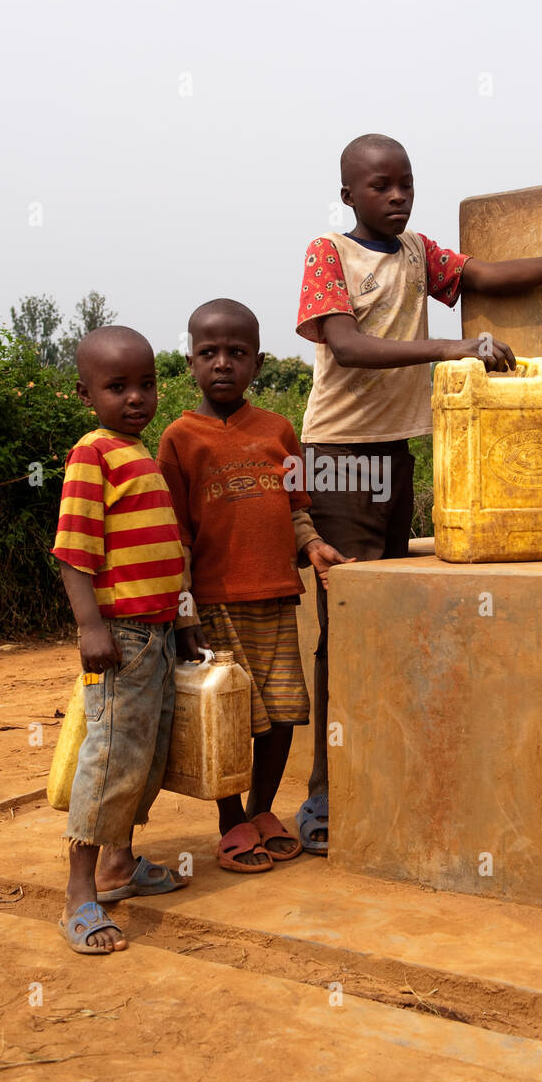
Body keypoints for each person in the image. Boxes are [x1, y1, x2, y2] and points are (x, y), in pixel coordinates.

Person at [295, 132, 542, 853]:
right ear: (348, 195)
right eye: (381, 186)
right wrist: (455, 347)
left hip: (393, 455)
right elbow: (347, 345)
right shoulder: (330, 254)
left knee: (384, 618)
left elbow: (485, 275)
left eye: (406, 184)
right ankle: (325, 798)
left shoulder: (418, 253)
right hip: (336, 456)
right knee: (349, 627)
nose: (397, 197)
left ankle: (375, 772)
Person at [158, 298, 348, 872]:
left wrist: (311, 545)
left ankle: (264, 809)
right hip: (214, 607)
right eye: (208, 353)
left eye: (236, 353)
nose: (222, 364)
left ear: (258, 363)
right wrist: (184, 611)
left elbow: (295, 509)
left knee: (283, 712)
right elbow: (177, 539)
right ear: (189, 361)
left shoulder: (278, 431)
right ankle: (230, 820)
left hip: (275, 600)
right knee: (226, 715)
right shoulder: (178, 439)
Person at [52, 326, 186, 954]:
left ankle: (119, 865)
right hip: (122, 637)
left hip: (156, 635)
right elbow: (74, 554)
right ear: (86, 394)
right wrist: (90, 627)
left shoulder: (143, 455)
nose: (136, 397)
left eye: (146, 384)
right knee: (109, 760)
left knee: (146, 757)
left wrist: (180, 625)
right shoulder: (93, 455)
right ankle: (80, 892)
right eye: (117, 387)